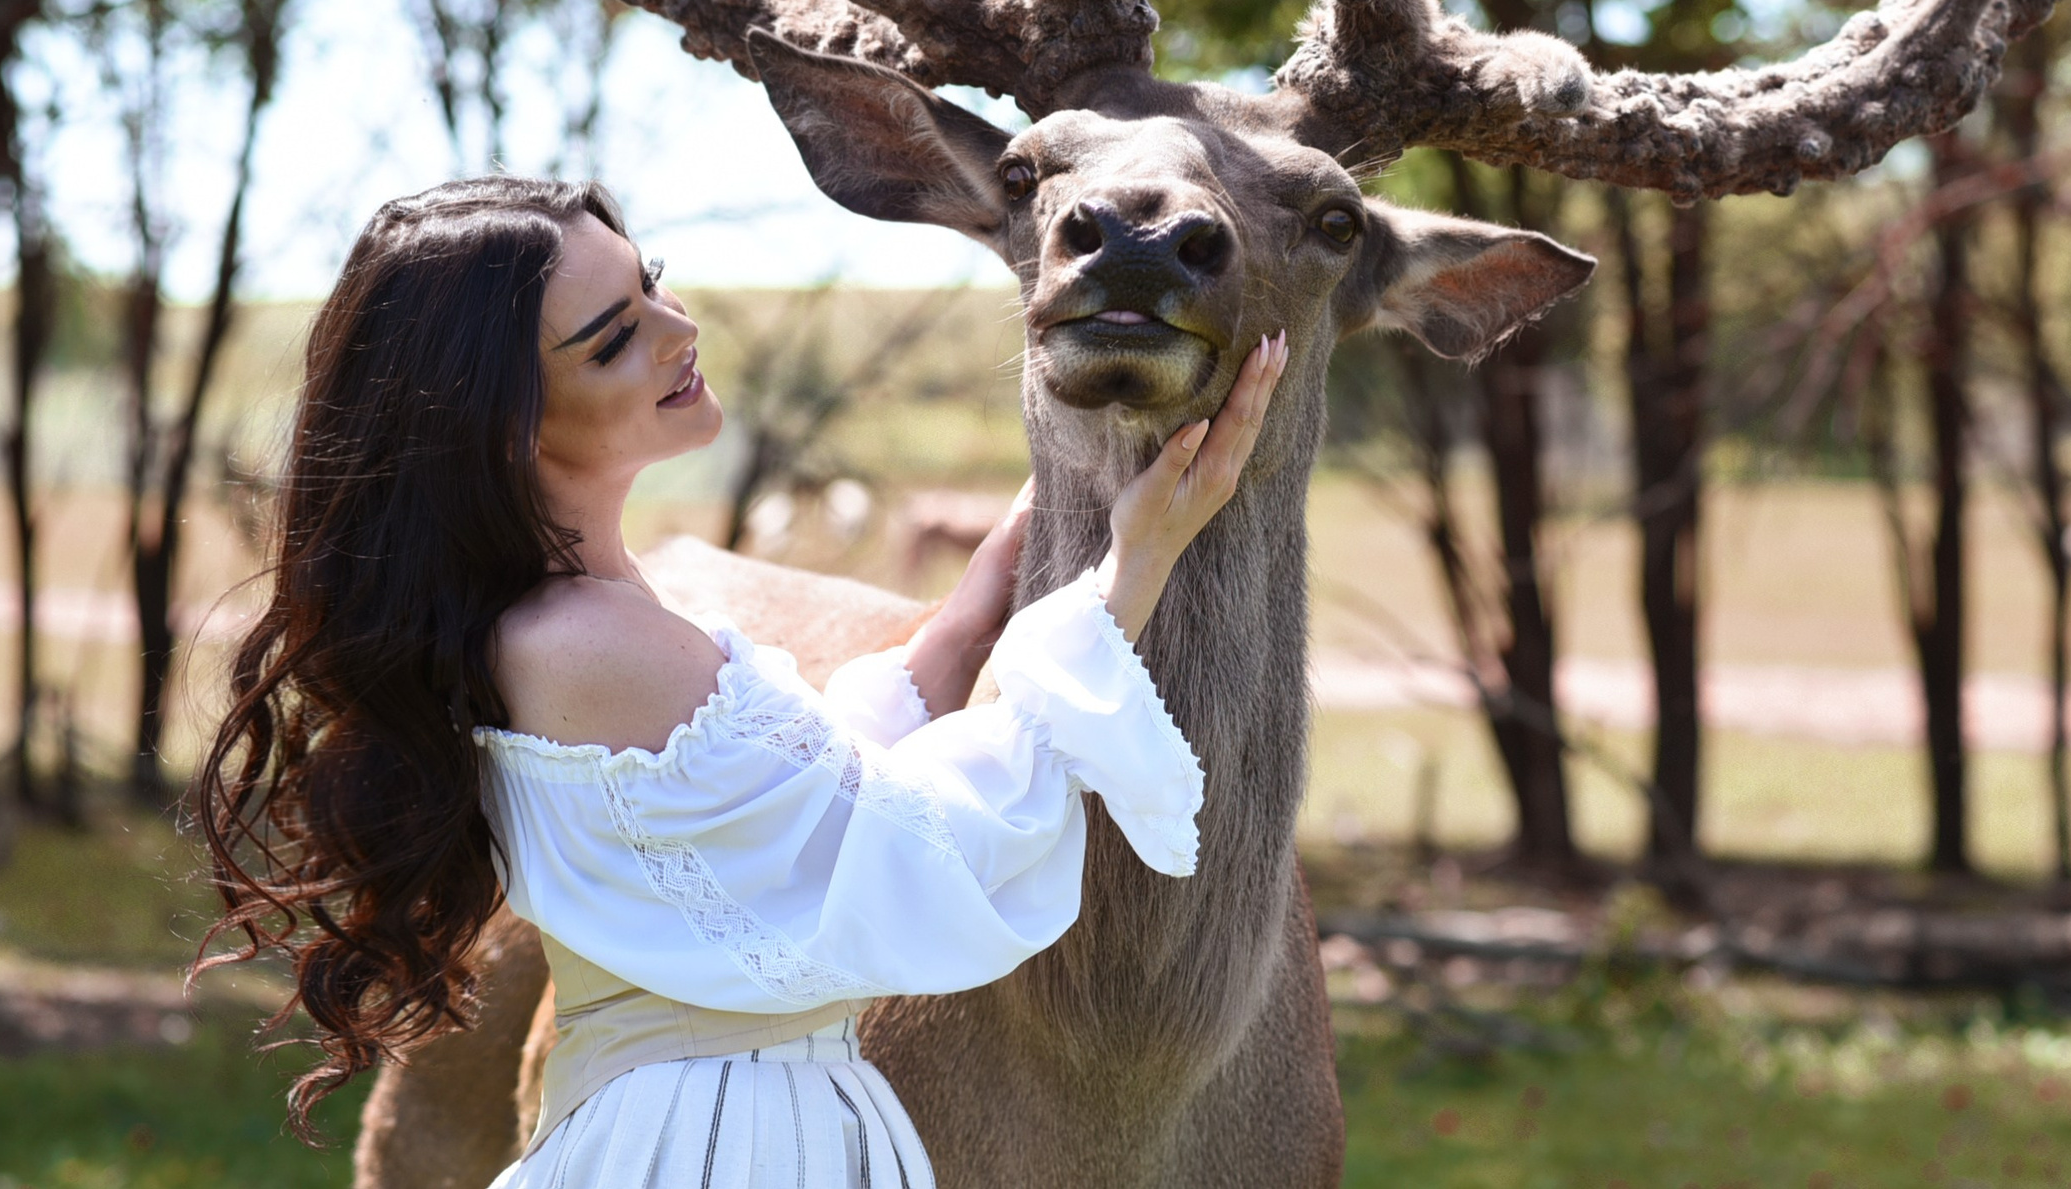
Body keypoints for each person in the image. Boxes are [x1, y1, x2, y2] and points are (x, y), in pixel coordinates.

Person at [195, 177, 1287, 1188]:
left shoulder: (573, 614)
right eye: (615, 337)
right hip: (721, 1143)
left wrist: (1007, 567)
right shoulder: (586, 641)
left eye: (650, 282)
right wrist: (1134, 566)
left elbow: (809, 791)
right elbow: (916, 856)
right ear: (503, 421)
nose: (679, 331)